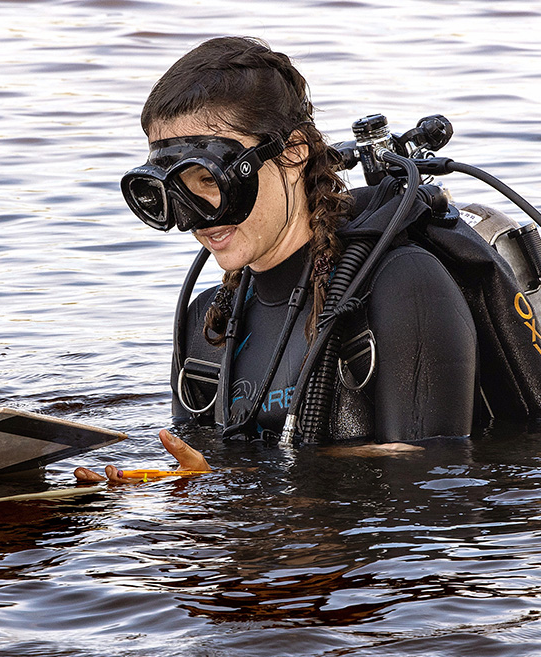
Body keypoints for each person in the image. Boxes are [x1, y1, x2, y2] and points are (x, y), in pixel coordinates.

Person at [78, 37, 477, 482]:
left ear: (292, 152)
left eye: (209, 178)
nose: (196, 217)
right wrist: (148, 489)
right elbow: (198, 464)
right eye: (175, 190)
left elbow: (433, 492)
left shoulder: (403, 285)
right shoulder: (207, 324)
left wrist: (231, 481)